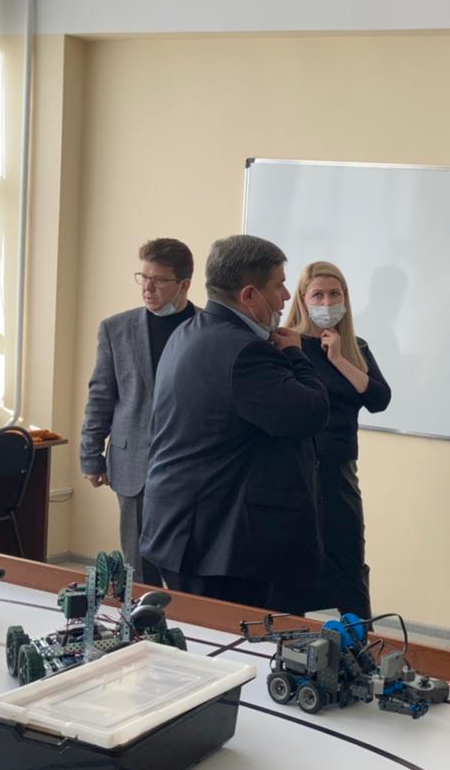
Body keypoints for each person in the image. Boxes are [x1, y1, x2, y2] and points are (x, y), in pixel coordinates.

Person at [140, 235, 329, 610]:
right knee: (235, 641)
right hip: (219, 544)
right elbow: (311, 413)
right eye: (278, 285)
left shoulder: (187, 332)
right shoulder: (246, 352)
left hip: (183, 529)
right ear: (250, 295)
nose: (286, 297)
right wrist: (297, 354)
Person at [79, 238, 195, 586]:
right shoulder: (116, 329)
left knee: (187, 568)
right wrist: (91, 456)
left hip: (190, 469)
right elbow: (101, 395)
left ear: (184, 285)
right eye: (143, 277)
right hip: (133, 464)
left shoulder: (207, 329)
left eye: (158, 280)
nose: (147, 287)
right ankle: (142, 621)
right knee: (138, 570)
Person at [282, 261, 391, 619]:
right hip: (296, 471)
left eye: (335, 294)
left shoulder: (354, 347)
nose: (327, 302)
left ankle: (357, 644)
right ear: (303, 299)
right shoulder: (287, 343)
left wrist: (340, 358)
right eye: (318, 295)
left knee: (348, 564)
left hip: (340, 471)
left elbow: (379, 399)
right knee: (295, 567)